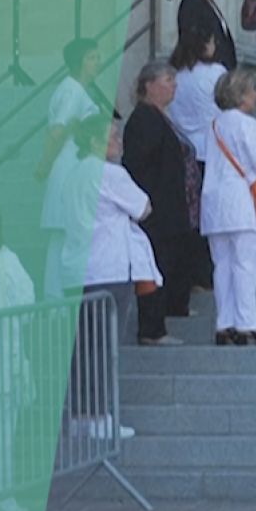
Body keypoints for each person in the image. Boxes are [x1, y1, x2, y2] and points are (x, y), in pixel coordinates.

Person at [61, 116, 157, 442]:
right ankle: (101, 417)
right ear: (93, 142)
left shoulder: (73, 173)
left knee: (84, 347)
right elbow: (144, 207)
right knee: (104, 346)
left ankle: (80, 417)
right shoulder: (111, 173)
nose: (118, 141)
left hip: (80, 267)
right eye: (111, 136)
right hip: (110, 268)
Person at [122, 61, 195, 346]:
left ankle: (172, 309)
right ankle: (152, 328)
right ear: (148, 85)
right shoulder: (144, 119)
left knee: (171, 261)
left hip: (172, 206)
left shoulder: (161, 117)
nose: (173, 86)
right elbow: (140, 165)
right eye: (167, 80)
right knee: (155, 264)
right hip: (157, 208)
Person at [200, 67, 256, 346]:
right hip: (243, 201)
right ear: (241, 95)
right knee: (246, 264)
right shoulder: (248, 125)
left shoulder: (214, 124)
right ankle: (246, 324)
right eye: (252, 89)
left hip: (214, 202)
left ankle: (224, 323)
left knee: (222, 265)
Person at [35, 39, 111, 299]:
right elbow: (57, 131)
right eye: (91, 57)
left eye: (97, 56)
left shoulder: (78, 90)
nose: (97, 62)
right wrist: (44, 166)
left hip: (72, 164)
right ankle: (56, 299)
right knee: (64, 235)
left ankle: (58, 298)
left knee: (66, 233)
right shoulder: (73, 91)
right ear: (78, 62)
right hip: (67, 164)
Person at [0, 192, 35, 511]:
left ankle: (1, 497)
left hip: (1, 362)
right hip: (0, 364)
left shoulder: (5, 260)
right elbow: (27, 306)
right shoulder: (5, 261)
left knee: (1, 432)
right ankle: (1, 497)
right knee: (0, 434)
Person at [167, 30, 222, 291]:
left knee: (191, 216)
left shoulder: (176, 75)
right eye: (211, 40)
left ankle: (193, 274)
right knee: (209, 215)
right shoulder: (214, 74)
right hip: (211, 150)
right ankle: (206, 272)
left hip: (184, 150)